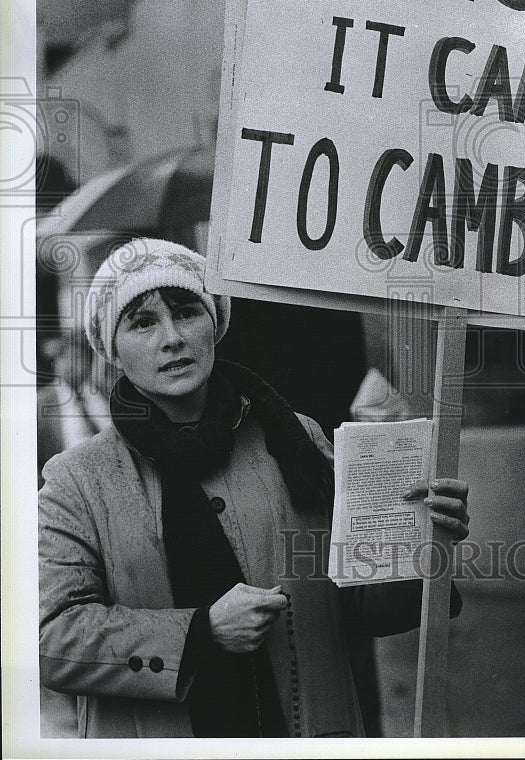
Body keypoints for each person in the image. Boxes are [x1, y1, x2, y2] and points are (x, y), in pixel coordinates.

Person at [38, 238, 469, 738]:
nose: (172, 337)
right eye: (142, 322)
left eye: (186, 312)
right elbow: (51, 641)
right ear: (112, 351)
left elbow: (362, 603)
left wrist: (423, 540)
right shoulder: (77, 482)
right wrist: (199, 634)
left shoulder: (296, 440)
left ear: (215, 325)